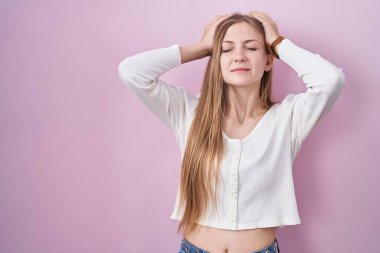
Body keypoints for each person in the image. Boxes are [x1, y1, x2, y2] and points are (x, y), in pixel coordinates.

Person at [118, 11, 345, 253]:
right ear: (216, 59)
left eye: (251, 48)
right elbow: (131, 72)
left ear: (269, 60)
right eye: (226, 50)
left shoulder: (288, 118)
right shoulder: (187, 112)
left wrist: (278, 42)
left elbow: (331, 80)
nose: (238, 56)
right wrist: (203, 46)